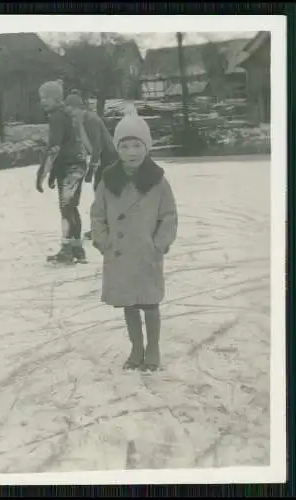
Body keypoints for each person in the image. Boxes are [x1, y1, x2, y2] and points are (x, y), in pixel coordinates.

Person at [90, 112, 178, 372]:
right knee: (129, 303)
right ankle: (136, 348)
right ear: (117, 149)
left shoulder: (158, 181)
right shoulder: (108, 180)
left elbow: (169, 215)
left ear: (146, 147)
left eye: (137, 145)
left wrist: (158, 244)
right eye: (125, 146)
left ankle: (152, 349)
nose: (131, 152)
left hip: (146, 253)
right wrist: (103, 240)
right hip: (120, 253)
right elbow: (97, 214)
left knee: (149, 303)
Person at [36, 81, 88, 264]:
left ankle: (67, 250)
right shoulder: (65, 115)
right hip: (77, 164)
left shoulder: (57, 117)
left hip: (70, 166)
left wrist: (42, 173)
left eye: (46, 97)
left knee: (66, 208)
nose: (42, 101)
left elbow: (55, 148)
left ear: (57, 98)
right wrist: (53, 174)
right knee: (71, 206)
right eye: (41, 97)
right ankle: (77, 249)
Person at [63, 93, 118, 239]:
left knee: (103, 193)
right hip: (101, 161)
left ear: (80, 108)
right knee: (100, 193)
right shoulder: (79, 122)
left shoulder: (91, 120)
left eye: (72, 111)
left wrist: (91, 170)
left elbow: (97, 147)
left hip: (109, 159)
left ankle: (106, 228)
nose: (71, 115)